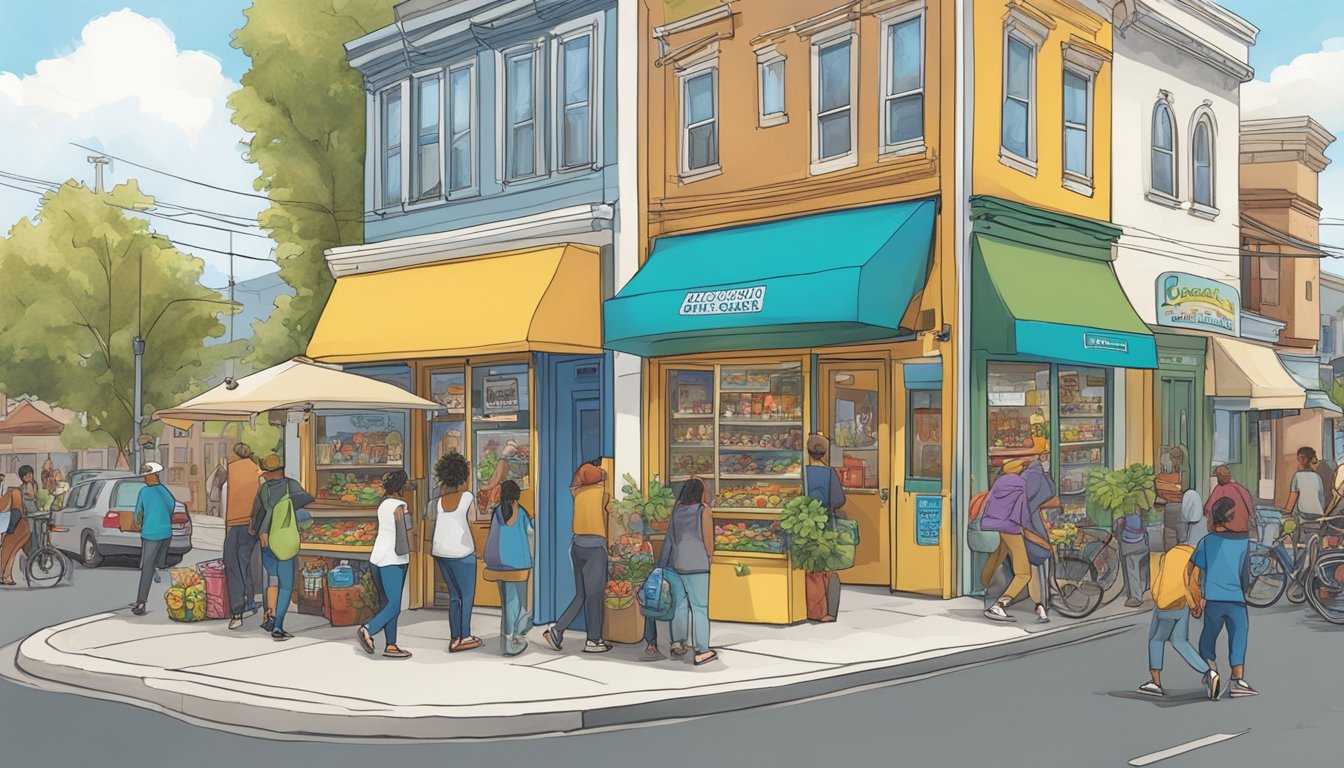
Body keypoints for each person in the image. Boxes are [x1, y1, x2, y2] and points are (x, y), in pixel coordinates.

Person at [1138, 504, 1219, 700]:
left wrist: (1157, 598)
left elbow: (1157, 582)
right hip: (1183, 604)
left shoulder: (1170, 554)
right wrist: (1195, 605)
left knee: (1156, 640)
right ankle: (1208, 672)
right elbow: (1193, 584)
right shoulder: (1195, 556)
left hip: (1166, 603)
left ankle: (1155, 682)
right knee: (1179, 641)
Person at [544, 461, 613, 654]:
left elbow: (576, 481)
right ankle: (593, 640)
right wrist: (604, 472)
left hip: (577, 546)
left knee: (581, 594)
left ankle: (557, 630)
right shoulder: (603, 495)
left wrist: (589, 472)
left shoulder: (577, 494)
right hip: (595, 548)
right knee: (594, 596)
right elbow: (616, 512)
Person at [1192, 497, 1256, 698]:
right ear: (1232, 518)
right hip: (1235, 598)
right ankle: (1237, 680)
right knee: (1238, 636)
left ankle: (1211, 670)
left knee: (1208, 637)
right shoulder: (1244, 542)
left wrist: (1199, 596)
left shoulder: (1206, 542)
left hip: (1212, 599)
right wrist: (1243, 589)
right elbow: (1245, 575)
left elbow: (1197, 572)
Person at [250, 453, 314, 640]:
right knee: (286, 586)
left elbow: (257, 513)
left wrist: (259, 531)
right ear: (282, 470)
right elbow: (307, 500)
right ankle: (278, 626)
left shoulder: (264, 490)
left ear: (268, 473)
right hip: (284, 539)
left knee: (272, 580)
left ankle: (268, 614)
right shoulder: (292, 486)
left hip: (266, 538)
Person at [427, 451, 481, 652]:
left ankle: (454, 636)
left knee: (453, 596)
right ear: (463, 475)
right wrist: (480, 549)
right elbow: (473, 523)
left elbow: (431, 522)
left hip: (441, 552)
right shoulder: (467, 497)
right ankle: (465, 636)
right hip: (463, 552)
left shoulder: (439, 502)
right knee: (466, 595)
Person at [659, 477, 717, 665]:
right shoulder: (703, 511)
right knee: (700, 608)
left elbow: (669, 539)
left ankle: (677, 643)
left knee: (680, 606)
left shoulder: (677, 510)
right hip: (698, 564)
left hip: (676, 564)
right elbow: (708, 539)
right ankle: (702, 650)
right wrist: (710, 557)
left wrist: (662, 566)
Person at [980, 459, 1046, 622]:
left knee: (998, 556)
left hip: (994, 525)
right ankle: (1000, 604)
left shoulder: (999, 482)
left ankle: (985, 585)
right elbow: (1021, 512)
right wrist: (1029, 530)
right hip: (1011, 527)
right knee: (1024, 573)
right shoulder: (1020, 484)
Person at [358, 470, 414, 659]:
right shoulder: (400, 506)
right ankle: (368, 629)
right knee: (395, 605)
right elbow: (407, 534)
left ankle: (391, 645)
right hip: (394, 560)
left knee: (386, 603)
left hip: (377, 558)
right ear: (401, 488)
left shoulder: (383, 504)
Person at [484, 480, 534, 656]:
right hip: (516, 565)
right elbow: (531, 534)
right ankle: (512, 641)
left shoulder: (497, 512)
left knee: (507, 603)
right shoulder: (520, 513)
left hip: (496, 564)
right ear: (516, 498)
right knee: (519, 604)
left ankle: (506, 639)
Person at [803, 434, 848, 621]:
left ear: (807, 451)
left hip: (804, 524)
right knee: (825, 569)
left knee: (810, 569)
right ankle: (824, 613)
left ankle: (813, 610)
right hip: (825, 523)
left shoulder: (803, 473)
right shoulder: (829, 473)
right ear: (824, 452)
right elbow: (839, 500)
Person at [223, 443, 263, 630]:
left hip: (236, 524)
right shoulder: (257, 470)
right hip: (251, 525)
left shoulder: (232, 471)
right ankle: (249, 602)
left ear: (236, 454)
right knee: (243, 562)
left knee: (233, 565)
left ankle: (237, 611)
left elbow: (217, 492)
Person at [131, 462, 175, 616]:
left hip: (151, 533)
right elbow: (171, 505)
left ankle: (141, 602)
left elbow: (137, 514)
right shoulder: (164, 490)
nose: (144, 479)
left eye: (145, 476)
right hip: (166, 533)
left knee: (147, 568)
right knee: (160, 564)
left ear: (151, 476)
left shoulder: (144, 492)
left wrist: (138, 522)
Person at [1020, 439, 1056, 621]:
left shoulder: (1030, 472)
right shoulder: (1034, 474)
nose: (1047, 457)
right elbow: (1048, 492)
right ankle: (1041, 602)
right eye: (1046, 454)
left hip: (1029, 521)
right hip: (1031, 522)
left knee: (1039, 559)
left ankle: (1043, 599)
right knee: (1041, 557)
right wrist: (1047, 474)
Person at [0, 468, 34, 586]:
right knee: (12, 553)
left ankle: (4, 576)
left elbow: (3, 508)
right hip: (21, 526)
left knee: (8, 552)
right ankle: (6, 576)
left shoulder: (10, 493)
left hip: (13, 527)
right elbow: (18, 510)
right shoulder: (18, 492)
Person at [1114, 504, 1151, 608]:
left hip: (1130, 546)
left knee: (1132, 570)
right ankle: (1144, 589)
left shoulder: (1125, 519)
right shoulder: (1140, 517)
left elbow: (1117, 531)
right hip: (1143, 543)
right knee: (1143, 568)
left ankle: (1135, 596)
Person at [1204, 465, 1252, 534]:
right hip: (1243, 530)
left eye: (1217, 476)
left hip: (1226, 530)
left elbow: (1208, 509)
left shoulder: (1220, 489)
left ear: (1220, 476)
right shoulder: (1242, 489)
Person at [1286, 447, 1327, 523]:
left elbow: (1292, 500)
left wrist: (1286, 514)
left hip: (1303, 515)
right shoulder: (1318, 477)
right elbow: (1321, 500)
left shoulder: (1297, 476)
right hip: (1318, 515)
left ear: (1300, 461)